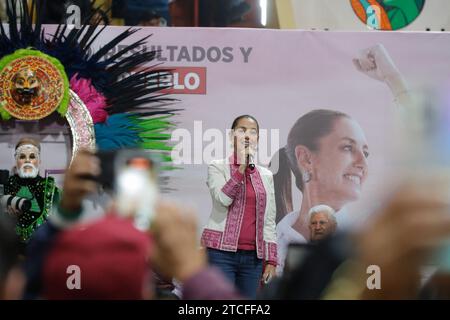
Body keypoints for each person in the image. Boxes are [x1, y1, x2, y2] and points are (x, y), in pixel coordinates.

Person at [273, 109, 369, 274]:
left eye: (366, 153)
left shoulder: (370, 245)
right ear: (306, 158)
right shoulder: (267, 245)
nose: (363, 163)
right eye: (348, 147)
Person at [201, 115, 277, 299]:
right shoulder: (217, 166)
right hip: (220, 253)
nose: (247, 136)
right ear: (231, 136)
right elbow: (223, 199)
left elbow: (269, 219)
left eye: (253, 132)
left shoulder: (266, 175)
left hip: (253, 258)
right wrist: (241, 168)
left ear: (258, 139)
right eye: (241, 130)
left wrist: (271, 260)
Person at [3, 138, 60, 247]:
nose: (27, 161)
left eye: (32, 156)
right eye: (22, 156)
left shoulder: (51, 190)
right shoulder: (6, 186)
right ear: (16, 161)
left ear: (39, 161)